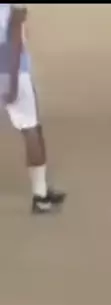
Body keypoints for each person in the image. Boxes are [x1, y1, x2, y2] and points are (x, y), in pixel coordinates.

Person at [0, 4, 65, 213]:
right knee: (31, 129)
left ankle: (42, 190)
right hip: (11, 70)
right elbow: (14, 37)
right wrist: (11, 79)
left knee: (32, 128)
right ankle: (40, 196)